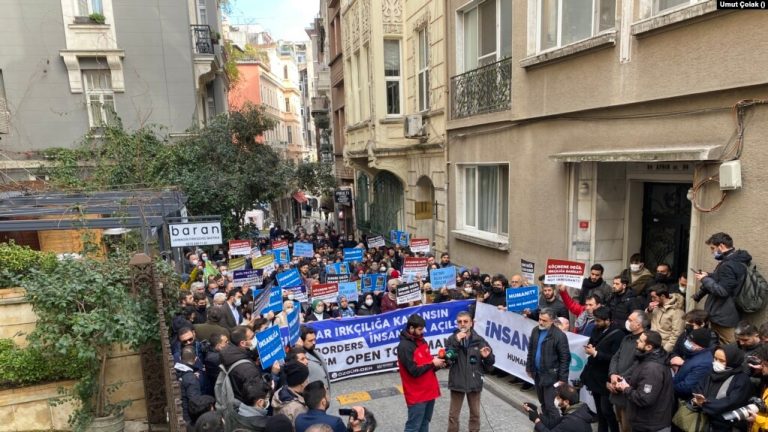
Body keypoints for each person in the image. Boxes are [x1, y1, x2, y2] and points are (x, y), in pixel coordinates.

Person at [693, 232, 752, 344]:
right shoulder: (735, 261)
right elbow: (729, 281)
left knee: (729, 347)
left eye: (712, 248)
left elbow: (723, 291)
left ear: (721, 246)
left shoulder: (728, 265)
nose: (712, 252)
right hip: (727, 313)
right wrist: (709, 275)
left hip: (723, 316)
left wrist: (704, 279)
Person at [614, 330, 675, 432]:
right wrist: (626, 380)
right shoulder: (646, 359)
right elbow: (639, 378)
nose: (637, 341)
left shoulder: (653, 368)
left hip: (651, 425)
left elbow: (644, 399)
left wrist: (625, 388)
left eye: (641, 341)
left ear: (649, 347)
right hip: (644, 422)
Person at [445, 311, 495, 432]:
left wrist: (487, 357)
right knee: (453, 416)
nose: (463, 324)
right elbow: (447, 360)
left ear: (471, 323)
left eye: (465, 321)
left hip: (474, 382)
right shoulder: (452, 339)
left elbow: (491, 364)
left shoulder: (479, 340)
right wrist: (456, 341)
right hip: (457, 381)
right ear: (457, 324)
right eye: (460, 322)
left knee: (475, 415)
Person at [397, 313, 445, 432]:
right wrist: (432, 364)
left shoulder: (422, 340)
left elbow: (428, 365)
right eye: (420, 329)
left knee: (425, 423)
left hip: (429, 392)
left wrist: (439, 364)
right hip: (417, 395)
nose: (422, 332)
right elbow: (414, 371)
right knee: (413, 427)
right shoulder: (404, 346)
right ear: (411, 328)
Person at [580, 306, 623, 432]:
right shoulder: (596, 329)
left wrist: (596, 354)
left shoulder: (618, 334)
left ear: (608, 320)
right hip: (594, 375)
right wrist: (590, 348)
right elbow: (593, 342)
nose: (596, 323)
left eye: (599, 321)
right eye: (595, 320)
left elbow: (615, 358)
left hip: (606, 377)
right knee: (599, 409)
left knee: (607, 410)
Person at [691, 344, 753, 431]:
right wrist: (697, 400)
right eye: (715, 358)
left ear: (732, 361)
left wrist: (705, 403)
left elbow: (731, 403)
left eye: (721, 360)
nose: (716, 362)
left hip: (725, 426)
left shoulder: (741, 379)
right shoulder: (711, 373)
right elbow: (698, 388)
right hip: (704, 422)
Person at [526, 308, 571, 419]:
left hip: (552, 377)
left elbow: (565, 358)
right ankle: (545, 424)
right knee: (543, 402)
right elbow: (531, 351)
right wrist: (529, 368)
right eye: (540, 319)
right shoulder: (535, 330)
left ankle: (555, 427)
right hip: (538, 374)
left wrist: (562, 379)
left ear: (552, 321)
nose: (540, 322)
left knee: (551, 405)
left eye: (544, 320)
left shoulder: (560, 336)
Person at [608, 310, 649, 432]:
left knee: (628, 426)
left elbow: (639, 364)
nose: (627, 322)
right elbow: (616, 357)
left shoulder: (645, 341)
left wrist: (620, 378)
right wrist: (612, 374)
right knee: (620, 421)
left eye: (631, 320)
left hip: (629, 390)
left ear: (639, 324)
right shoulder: (626, 338)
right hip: (617, 387)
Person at [218, 326, 261, 404]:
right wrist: (274, 374)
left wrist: (254, 364)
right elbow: (258, 394)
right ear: (242, 343)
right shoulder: (248, 370)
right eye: (252, 337)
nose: (255, 339)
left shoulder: (229, 354)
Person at [523, 384, 592, 432]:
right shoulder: (575, 411)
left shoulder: (571, 420)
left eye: (558, 398)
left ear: (566, 402)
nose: (555, 399)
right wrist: (537, 413)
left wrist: (537, 421)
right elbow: (552, 424)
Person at [670, 327, 714, 400]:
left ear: (700, 345)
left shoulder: (704, 363)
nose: (687, 342)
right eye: (688, 339)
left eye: (691, 341)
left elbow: (686, 387)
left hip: (681, 397)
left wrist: (668, 387)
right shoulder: (694, 353)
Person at [646, 285, 685, 352]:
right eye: (651, 297)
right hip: (652, 344)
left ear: (663, 296)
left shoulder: (677, 311)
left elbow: (676, 335)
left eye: (654, 297)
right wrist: (649, 310)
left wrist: (664, 351)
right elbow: (648, 320)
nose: (652, 300)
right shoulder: (656, 306)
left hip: (663, 347)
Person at [175, 345, 203, 425]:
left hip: (181, 413)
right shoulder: (191, 379)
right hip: (188, 420)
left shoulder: (175, 370)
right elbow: (195, 403)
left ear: (180, 358)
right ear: (196, 359)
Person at [300, 326, 331, 396]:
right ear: (301, 341)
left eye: (314, 339)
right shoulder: (300, 358)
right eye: (310, 341)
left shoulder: (314, 351)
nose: (314, 343)